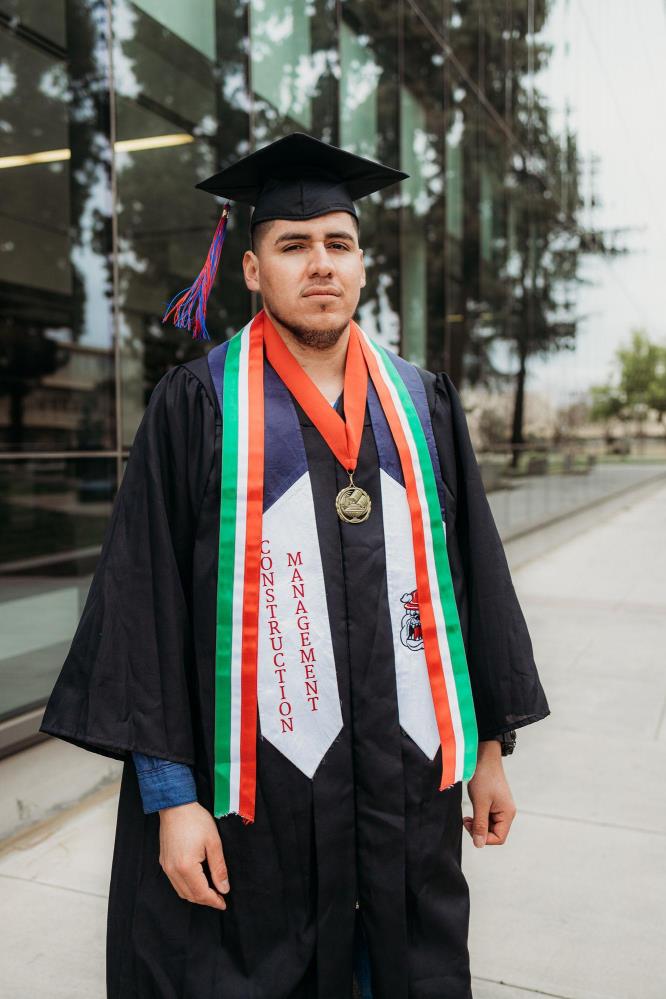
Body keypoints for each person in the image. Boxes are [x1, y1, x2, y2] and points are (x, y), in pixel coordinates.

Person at [40, 132, 550, 999]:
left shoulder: (420, 402)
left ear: (362, 264)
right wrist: (171, 799)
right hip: (253, 810)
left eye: (338, 244)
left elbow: (470, 582)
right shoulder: (198, 405)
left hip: (402, 793)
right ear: (250, 269)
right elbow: (144, 605)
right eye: (293, 245)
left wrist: (489, 748)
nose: (320, 264)